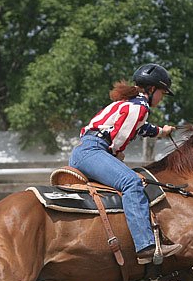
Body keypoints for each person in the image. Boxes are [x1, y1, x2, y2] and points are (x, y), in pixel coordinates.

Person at [69, 63, 183, 264]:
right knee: (132, 182)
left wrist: (161, 132)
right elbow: (118, 139)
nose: (162, 98)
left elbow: (139, 128)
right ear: (152, 89)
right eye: (162, 93)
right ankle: (145, 246)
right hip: (94, 150)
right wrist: (117, 153)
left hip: (86, 150)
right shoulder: (140, 107)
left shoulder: (128, 103)